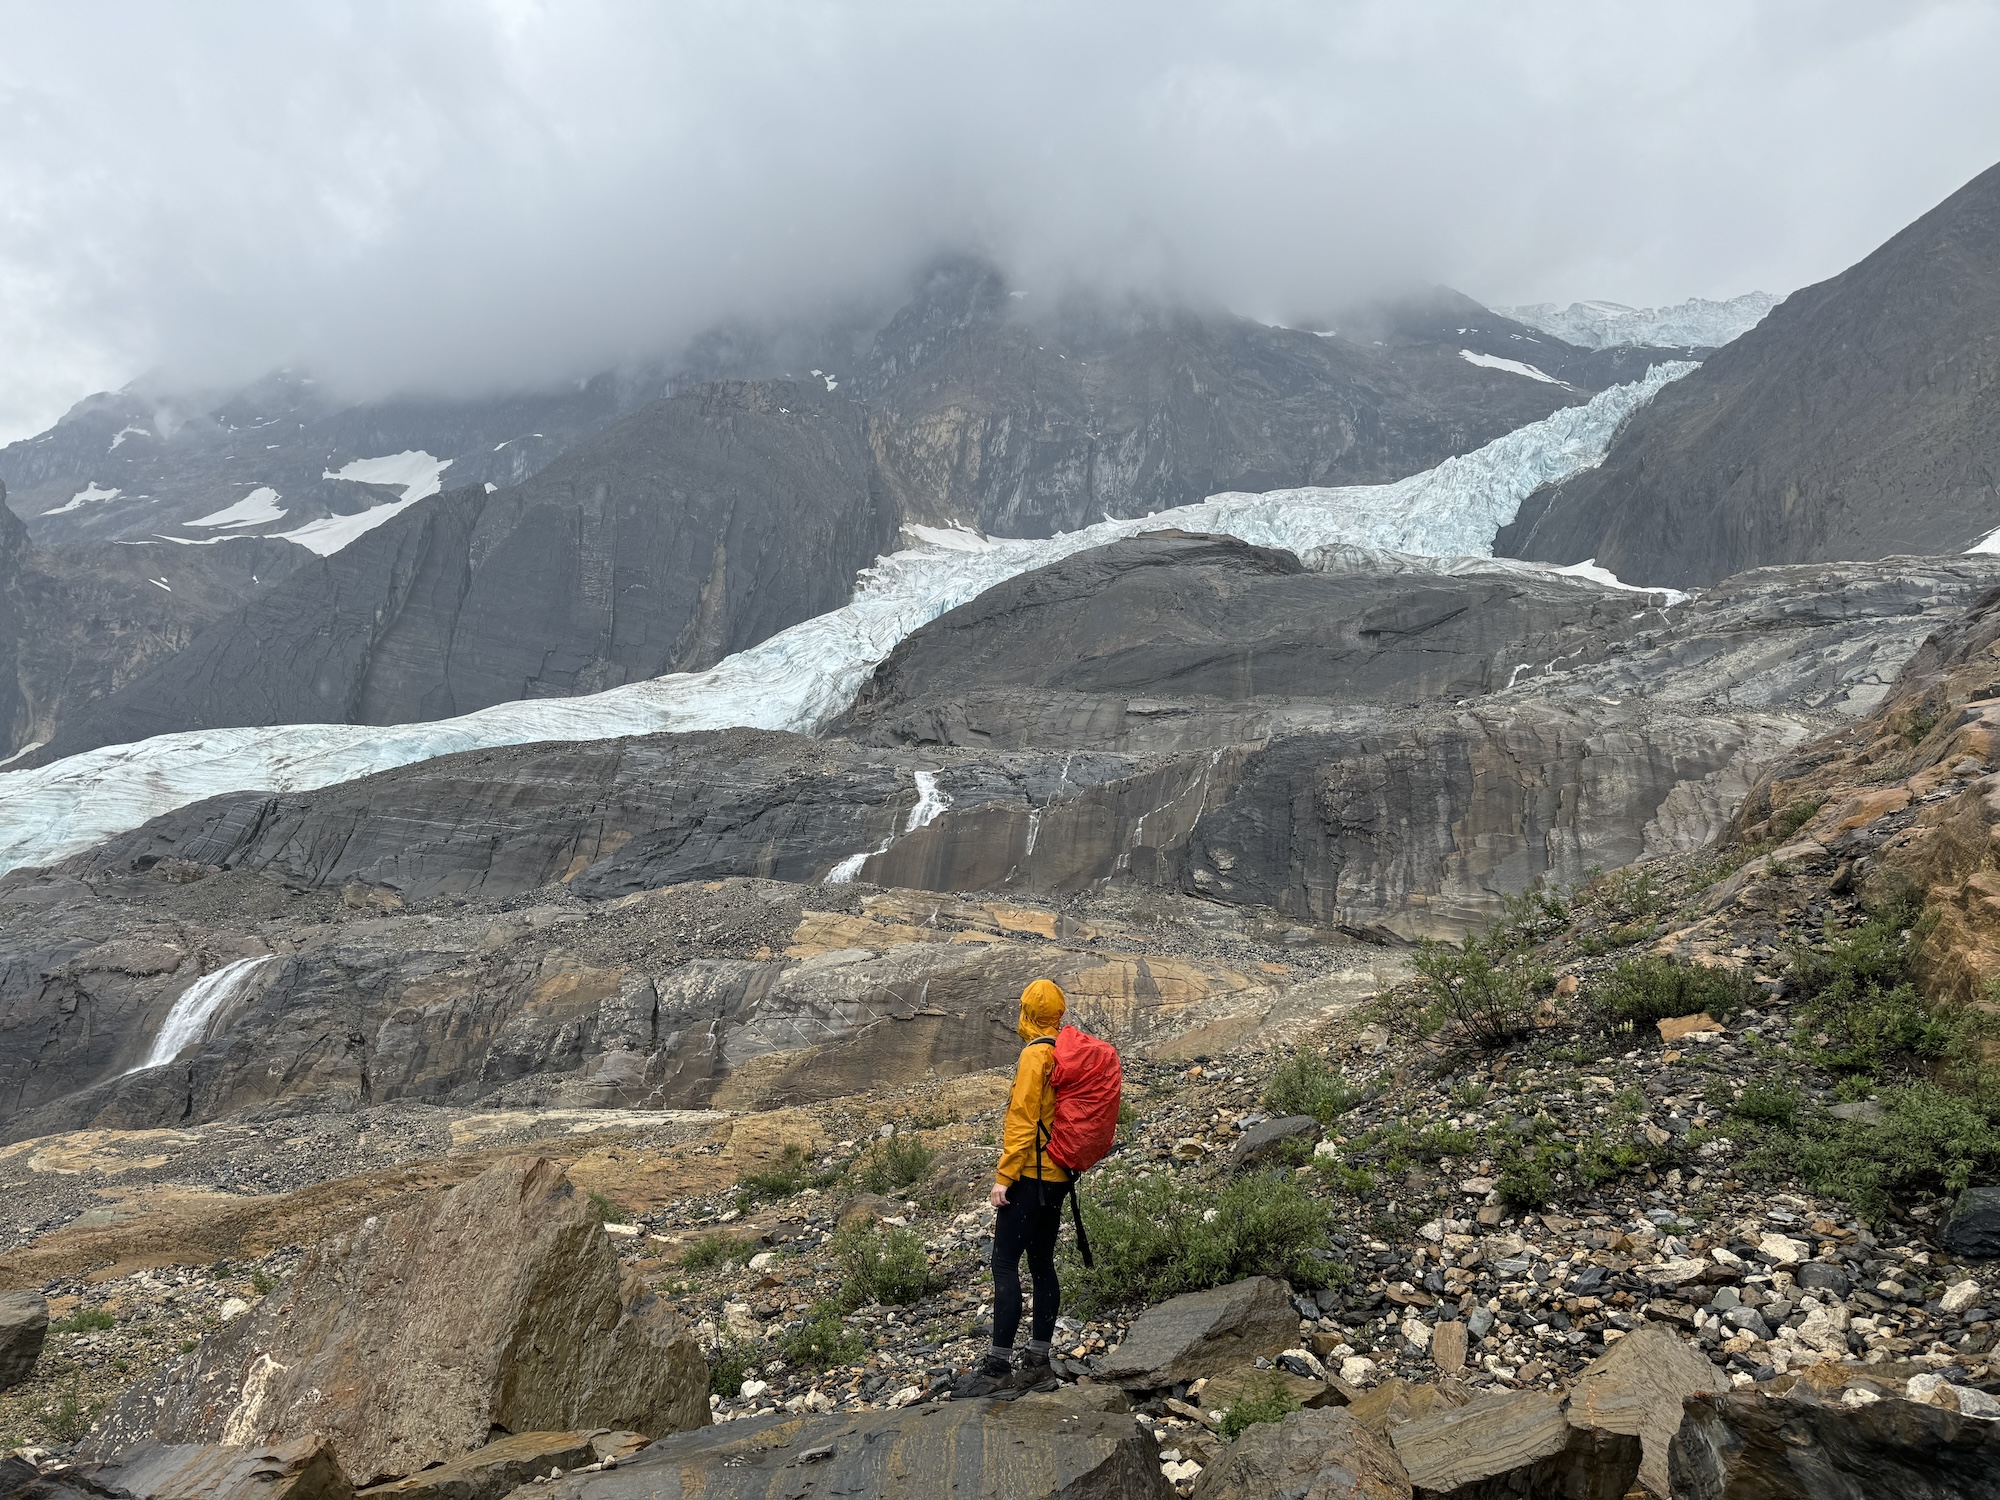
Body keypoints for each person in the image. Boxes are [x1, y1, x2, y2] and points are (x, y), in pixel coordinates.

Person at [954, 977, 1070, 1397]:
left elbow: (1022, 1120)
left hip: (1029, 1177)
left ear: (1027, 1013)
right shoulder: (1065, 1052)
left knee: (1004, 1264)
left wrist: (1004, 1177)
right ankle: (1038, 1363)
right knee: (1042, 1264)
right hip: (1058, 1177)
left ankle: (998, 1367)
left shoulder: (1034, 1056)